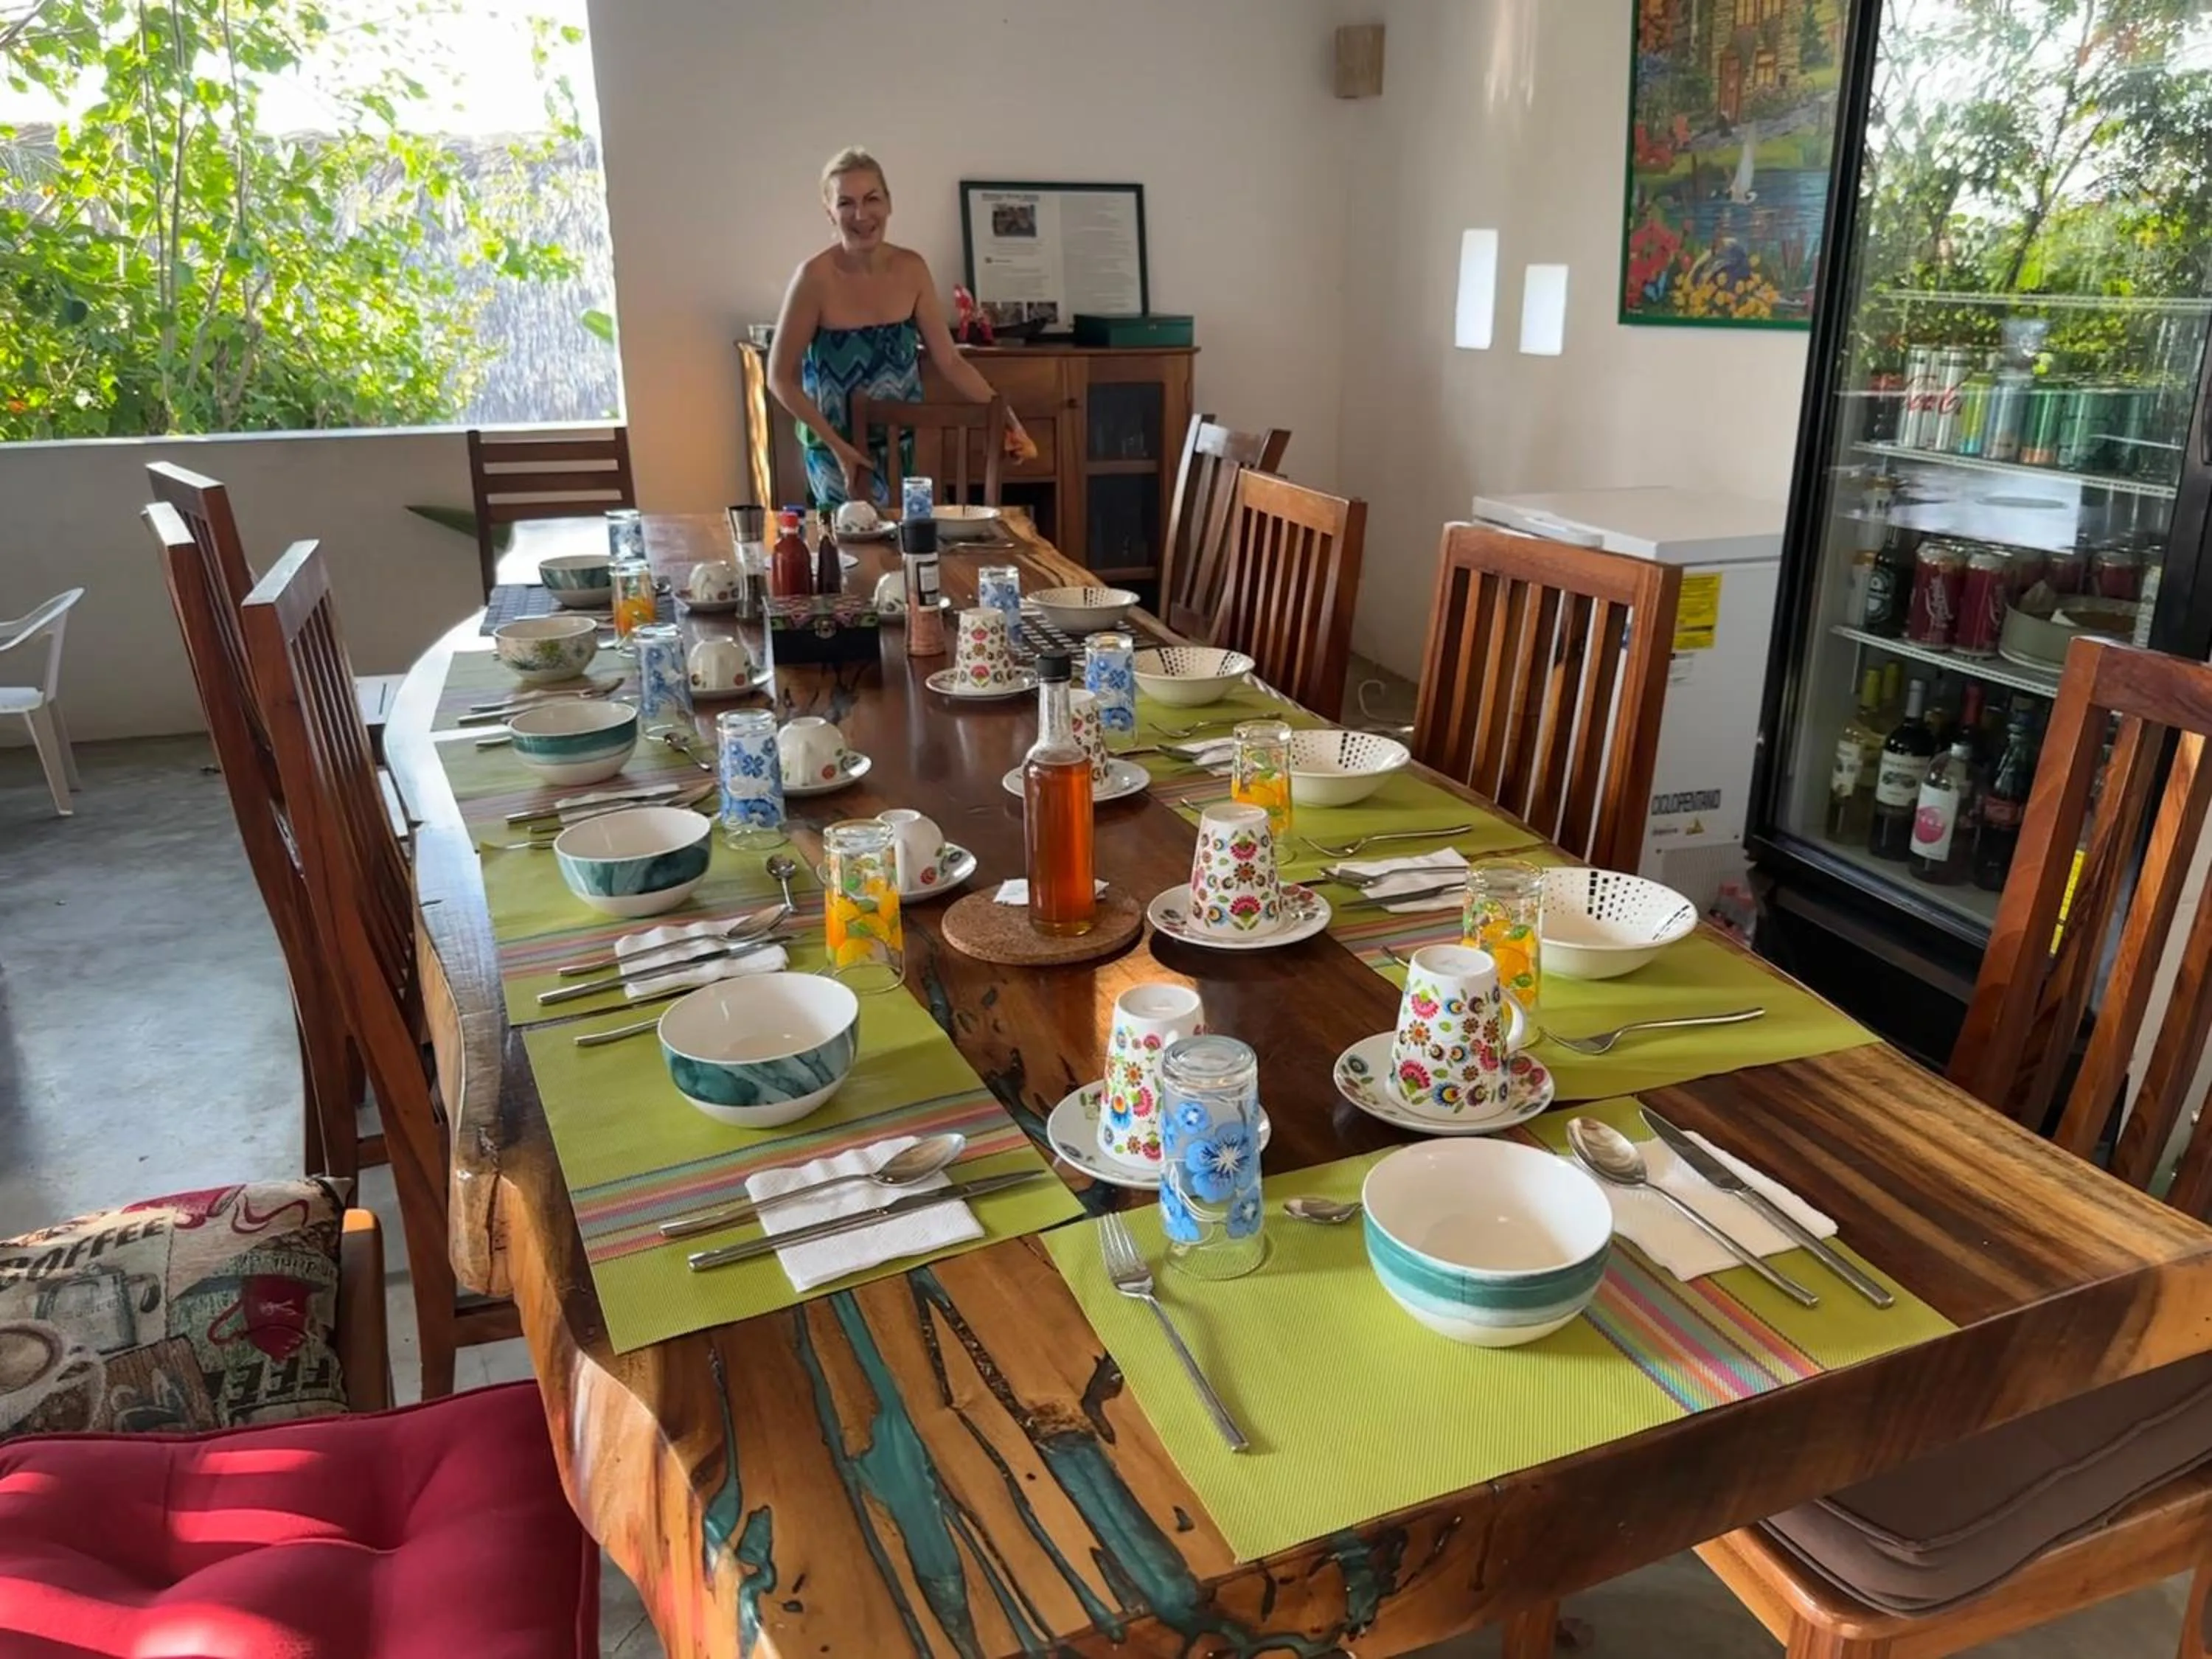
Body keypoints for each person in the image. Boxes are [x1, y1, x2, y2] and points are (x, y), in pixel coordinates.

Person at [766, 147, 1021, 508]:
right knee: (855, 540)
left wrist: (1005, 416)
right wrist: (838, 448)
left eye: (872, 199)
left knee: (908, 539)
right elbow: (779, 378)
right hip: (835, 451)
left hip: (901, 446)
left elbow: (950, 361)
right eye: (845, 203)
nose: (861, 215)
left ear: (889, 203)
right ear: (829, 213)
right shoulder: (813, 278)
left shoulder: (912, 268)